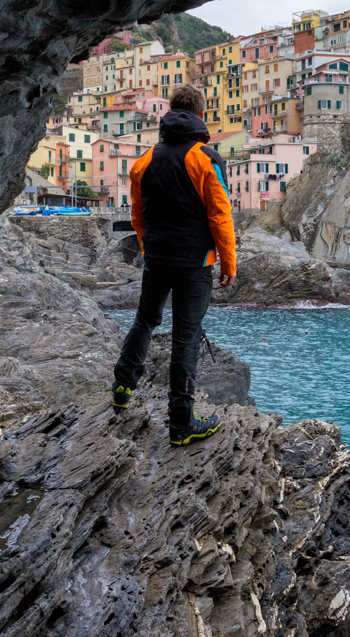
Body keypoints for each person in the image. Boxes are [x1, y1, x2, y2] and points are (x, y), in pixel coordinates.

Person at [110, 84, 237, 446]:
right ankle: (181, 425)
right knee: (186, 336)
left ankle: (122, 387)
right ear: (200, 115)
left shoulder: (145, 160)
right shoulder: (206, 158)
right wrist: (228, 261)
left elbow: (138, 215)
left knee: (145, 320)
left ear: (170, 112)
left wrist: (147, 247)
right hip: (194, 262)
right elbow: (220, 215)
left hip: (157, 257)